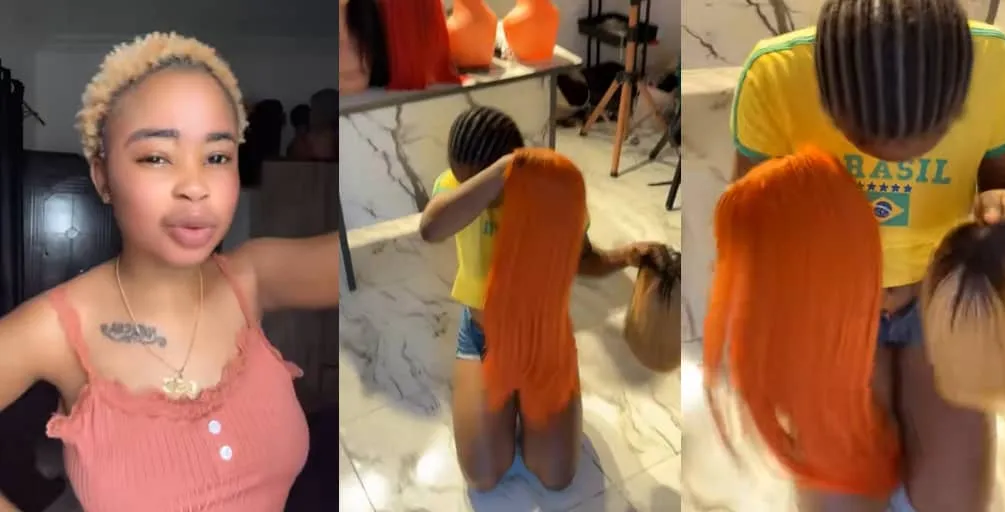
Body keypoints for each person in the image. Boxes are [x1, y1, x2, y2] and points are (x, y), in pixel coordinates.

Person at [0, 33, 339, 512]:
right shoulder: (56, 328)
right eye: (157, 157)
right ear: (102, 177)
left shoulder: (252, 278)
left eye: (217, 157)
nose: (195, 187)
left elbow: (374, 246)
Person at [730, 0, 1005, 510]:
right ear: (825, 96)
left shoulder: (992, 64)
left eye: (927, 139)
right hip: (832, 303)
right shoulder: (776, 75)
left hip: (938, 302)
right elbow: (750, 227)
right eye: (862, 141)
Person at [418, 106, 669, 491]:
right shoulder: (454, 186)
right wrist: (497, 174)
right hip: (485, 342)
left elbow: (583, 260)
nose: (475, 193)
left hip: (545, 340)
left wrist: (629, 255)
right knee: (483, 476)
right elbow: (431, 228)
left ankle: (530, 407)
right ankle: (509, 406)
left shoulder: (553, 196)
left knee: (556, 476)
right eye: (467, 179)